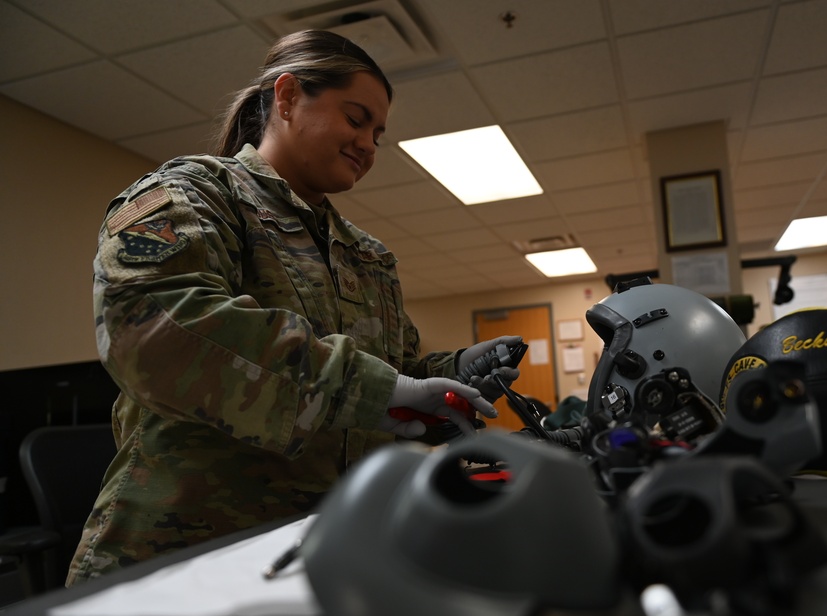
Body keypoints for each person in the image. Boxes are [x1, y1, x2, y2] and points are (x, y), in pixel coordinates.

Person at [67, 30, 519, 585]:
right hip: (186, 554)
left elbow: (391, 377)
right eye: (356, 120)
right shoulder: (196, 194)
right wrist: (370, 389)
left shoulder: (367, 254)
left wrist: (450, 376)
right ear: (285, 97)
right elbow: (156, 330)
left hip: (326, 547)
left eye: (378, 134)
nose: (368, 145)